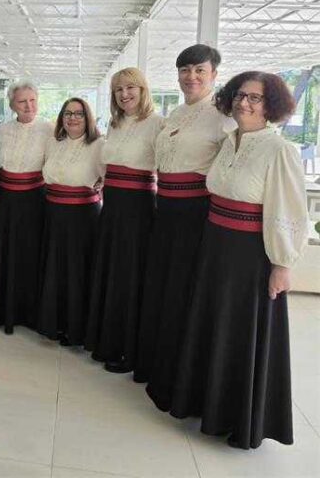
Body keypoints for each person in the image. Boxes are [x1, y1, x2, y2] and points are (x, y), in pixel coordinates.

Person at [169, 71, 307, 449]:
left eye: (255, 98)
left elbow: (289, 211)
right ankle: (205, 405)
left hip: (249, 256)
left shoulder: (279, 150)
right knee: (212, 326)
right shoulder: (228, 141)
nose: (245, 103)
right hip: (215, 246)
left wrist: (282, 264)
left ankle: (237, 419)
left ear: (271, 105)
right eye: (240, 96)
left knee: (241, 333)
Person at [133, 45, 234, 410]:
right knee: (163, 289)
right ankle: (158, 367)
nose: (191, 77)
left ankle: (184, 381)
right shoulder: (174, 113)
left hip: (197, 213)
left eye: (199, 70)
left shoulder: (225, 118)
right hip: (166, 210)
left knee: (185, 293)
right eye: (185, 70)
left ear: (214, 75)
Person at [85, 67, 163, 373]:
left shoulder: (157, 123)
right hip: (112, 208)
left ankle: (128, 350)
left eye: (131, 88)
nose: (124, 94)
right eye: (118, 89)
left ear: (143, 90)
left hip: (138, 210)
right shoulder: (114, 124)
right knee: (111, 275)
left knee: (130, 279)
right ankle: (106, 341)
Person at [0, 81, 52, 334]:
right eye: (22, 101)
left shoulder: (49, 129)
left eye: (32, 100)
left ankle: (29, 314)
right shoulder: (0, 130)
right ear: (12, 105)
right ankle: (1, 311)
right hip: (5, 200)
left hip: (35, 200)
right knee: (4, 253)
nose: (28, 106)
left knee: (30, 255)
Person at [36, 98, 104, 345]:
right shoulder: (53, 142)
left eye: (79, 114)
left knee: (77, 272)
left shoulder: (99, 145)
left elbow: (108, 178)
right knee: (54, 270)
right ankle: (52, 324)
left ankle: (75, 329)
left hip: (83, 217)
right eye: (68, 113)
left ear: (88, 118)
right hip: (53, 213)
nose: (73, 118)